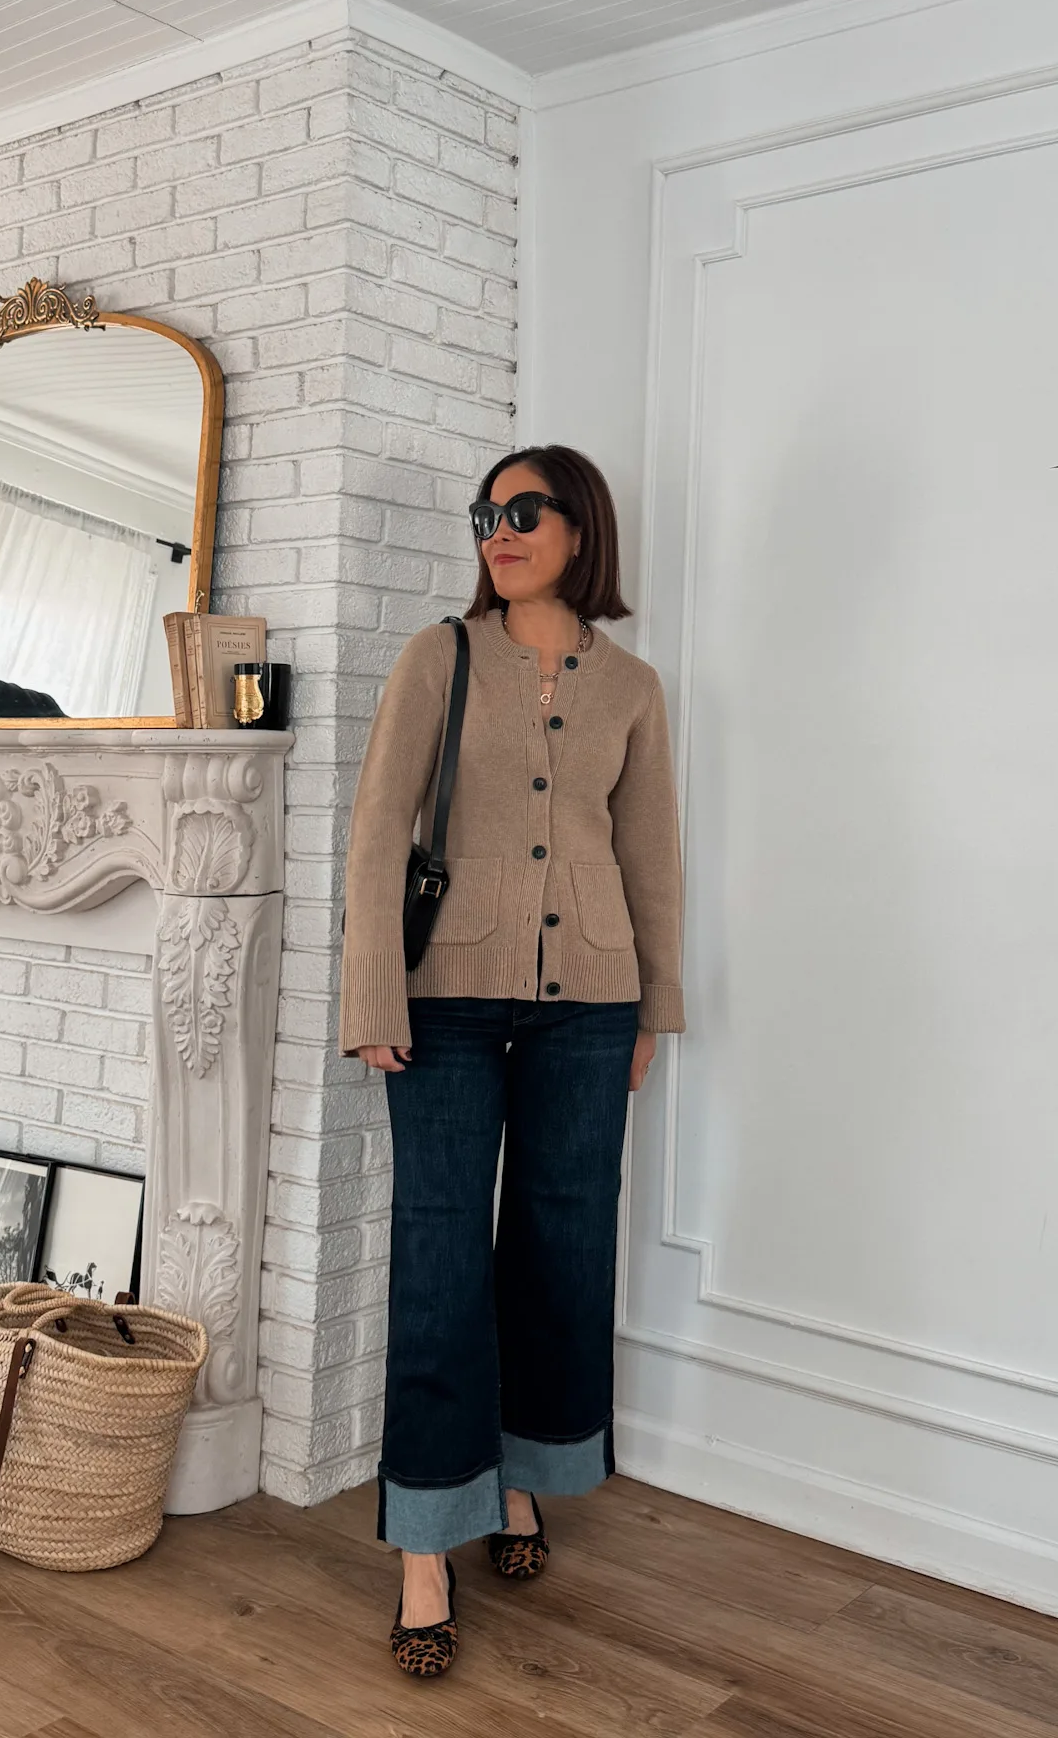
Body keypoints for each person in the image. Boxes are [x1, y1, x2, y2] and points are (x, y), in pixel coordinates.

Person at [339, 443, 686, 1678]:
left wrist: (652, 1006)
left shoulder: (634, 685)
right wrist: (372, 987)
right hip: (444, 999)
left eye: (525, 509)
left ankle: (523, 1476)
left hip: (589, 1000)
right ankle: (426, 1540)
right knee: (440, 1256)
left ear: (579, 528)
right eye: (487, 512)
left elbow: (650, 856)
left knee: (560, 1246)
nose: (500, 527)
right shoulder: (440, 655)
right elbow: (379, 830)